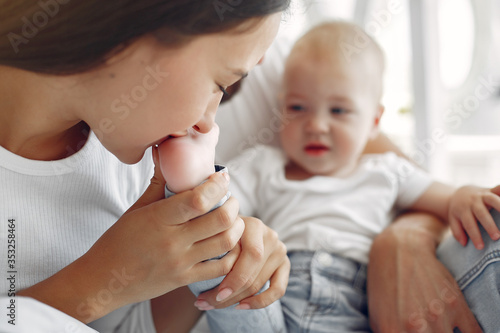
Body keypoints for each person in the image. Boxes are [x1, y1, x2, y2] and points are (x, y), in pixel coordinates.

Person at [0, 1, 292, 332]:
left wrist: (210, 263)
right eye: (221, 85)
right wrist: (97, 284)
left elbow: (117, 325)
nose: (208, 126)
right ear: (140, 24)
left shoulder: (131, 153)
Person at [221, 21, 500, 332]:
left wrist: (466, 196)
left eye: (338, 111)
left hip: (358, 306)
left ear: (374, 121)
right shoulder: (264, 164)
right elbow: (221, 204)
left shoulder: (387, 171)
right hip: (276, 295)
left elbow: (448, 199)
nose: (316, 125)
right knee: (232, 285)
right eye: (298, 107)